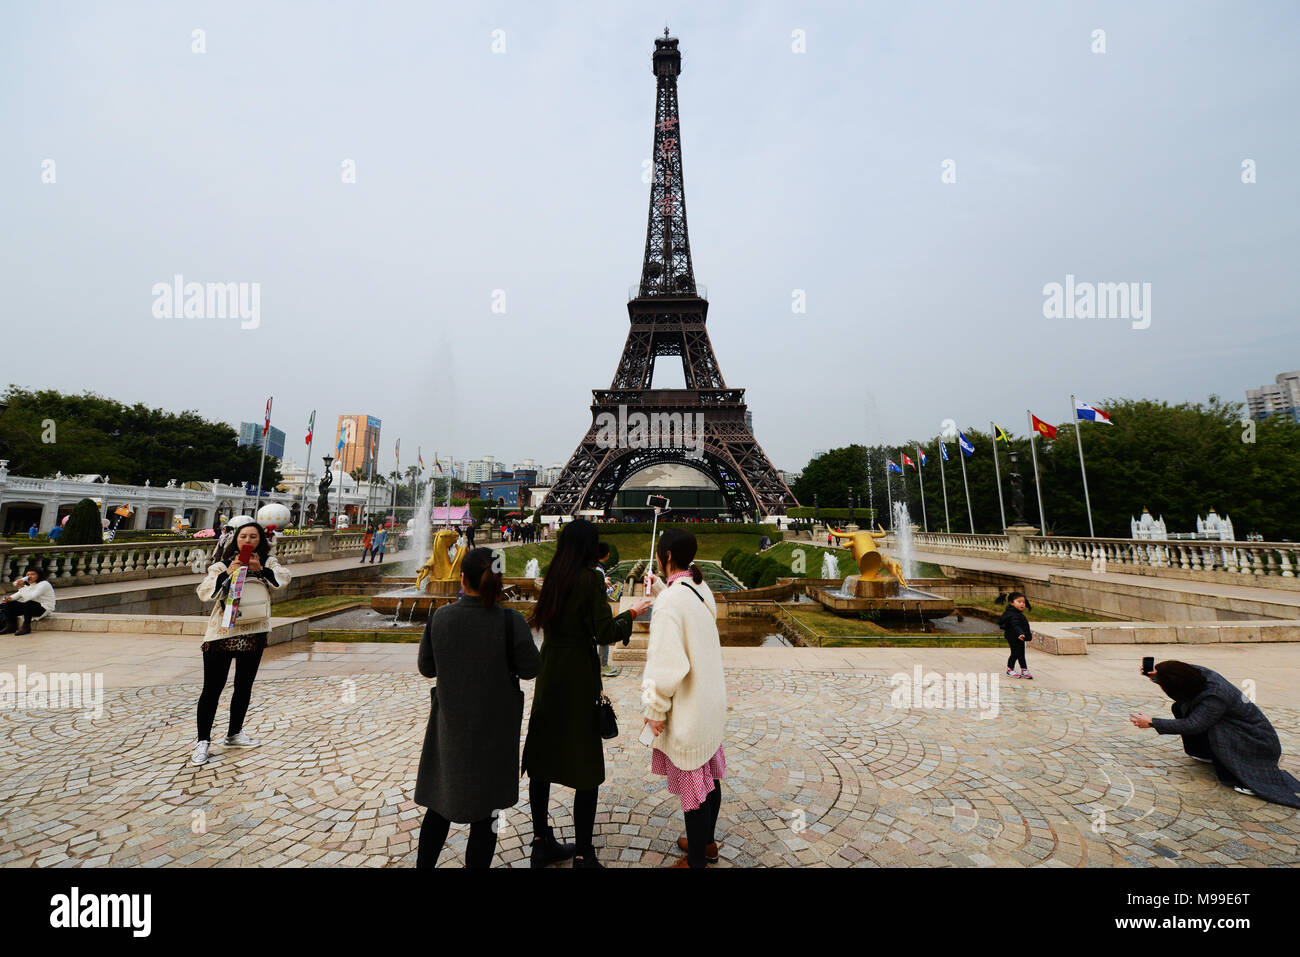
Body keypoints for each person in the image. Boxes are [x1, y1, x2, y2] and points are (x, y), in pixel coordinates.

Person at [522, 519, 650, 867]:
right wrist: (632, 614)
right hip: (578, 675)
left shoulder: (554, 576)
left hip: (550, 674)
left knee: (542, 760)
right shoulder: (590, 577)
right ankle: (582, 852)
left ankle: (540, 841)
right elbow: (603, 630)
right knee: (586, 763)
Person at [415, 547, 541, 868]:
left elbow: (427, 668)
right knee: (488, 815)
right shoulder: (510, 621)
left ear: (461, 578)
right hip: (494, 732)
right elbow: (530, 668)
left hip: (450, 727)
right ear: (499, 581)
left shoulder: (440, 617)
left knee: (440, 805)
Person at [641, 530, 728, 868]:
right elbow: (686, 605)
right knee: (710, 776)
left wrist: (654, 709)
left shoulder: (669, 604)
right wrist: (663, 590)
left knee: (695, 789)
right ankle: (706, 844)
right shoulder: (699, 587)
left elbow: (662, 666)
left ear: (664, 557)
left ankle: (695, 863)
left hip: (689, 710)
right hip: (709, 704)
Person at [1130, 661, 1300, 807]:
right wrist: (1156, 676)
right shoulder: (1197, 675)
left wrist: (1152, 722)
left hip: (1256, 743)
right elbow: (1178, 678)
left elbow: (1193, 725)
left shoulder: (1214, 695)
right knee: (1181, 707)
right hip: (1243, 731)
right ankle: (1207, 754)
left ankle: (1240, 777)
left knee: (1217, 730)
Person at [192, 520, 291, 765]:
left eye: (253, 537)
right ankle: (202, 741)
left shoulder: (269, 564)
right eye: (243, 536)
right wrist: (228, 572)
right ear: (236, 539)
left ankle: (234, 733)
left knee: (243, 686)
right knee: (212, 689)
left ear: (261, 541)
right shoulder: (222, 565)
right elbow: (205, 593)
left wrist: (260, 571)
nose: (247, 540)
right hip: (222, 633)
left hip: (254, 632)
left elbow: (283, 581)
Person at [0, 568, 56, 636]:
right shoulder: (28, 587)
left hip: (44, 608)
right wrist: (7, 599)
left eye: (33, 574)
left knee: (29, 602)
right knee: (9, 604)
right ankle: (10, 626)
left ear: (39, 576)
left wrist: (21, 586)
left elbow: (30, 597)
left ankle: (26, 627)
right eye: (28, 575)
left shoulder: (44, 584)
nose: (29, 576)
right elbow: (14, 597)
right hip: (29, 607)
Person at [595, 542, 621, 678]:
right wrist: (612, 589)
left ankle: (601, 665)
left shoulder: (596, 567)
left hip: (594, 609)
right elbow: (600, 591)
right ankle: (603, 666)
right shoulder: (598, 570)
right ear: (607, 555)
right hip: (599, 610)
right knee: (604, 636)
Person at [998, 592, 1033, 679]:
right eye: (1019, 602)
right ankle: (1010, 669)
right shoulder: (1012, 614)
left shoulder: (1017, 613)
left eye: (1023, 602)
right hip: (1013, 636)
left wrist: (1022, 634)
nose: (1022, 604)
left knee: (1021, 653)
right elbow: (1015, 625)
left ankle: (1024, 669)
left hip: (1020, 637)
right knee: (1015, 653)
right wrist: (1020, 633)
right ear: (1012, 603)